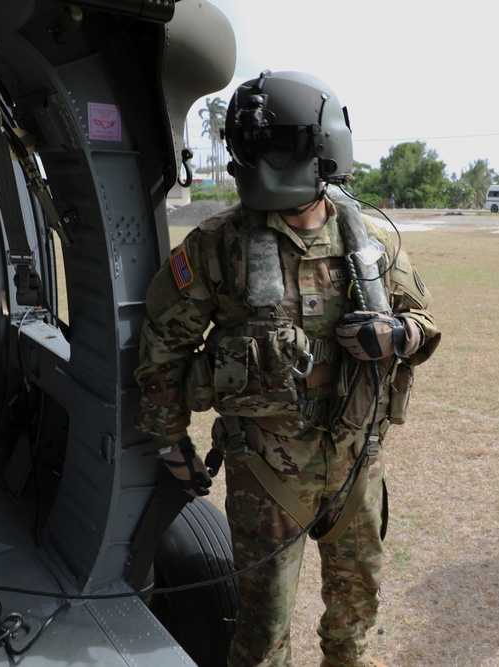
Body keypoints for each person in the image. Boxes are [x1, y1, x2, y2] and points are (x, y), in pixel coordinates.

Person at [134, 70, 440, 666]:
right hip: (267, 475)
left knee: (354, 618)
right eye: (252, 146)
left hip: (357, 464)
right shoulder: (217, 244)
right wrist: (171, 443)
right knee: (260, 628)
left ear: (321, 151)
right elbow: (163, 345)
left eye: (277, 145)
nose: (261, 160)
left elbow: (424, 323)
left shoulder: (372, 241)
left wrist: (397, 334)